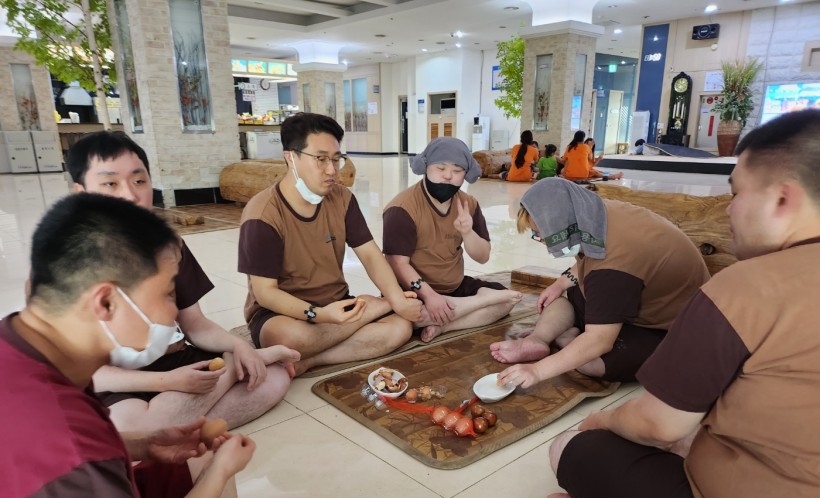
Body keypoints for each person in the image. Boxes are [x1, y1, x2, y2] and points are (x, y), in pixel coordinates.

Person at [545, 108, 820, 498]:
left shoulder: (748, 286)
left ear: (784, 199)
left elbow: (658, 425)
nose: (729, 210)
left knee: (572, 448)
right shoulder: (604, 226)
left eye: (736, 194)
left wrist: (600, 420)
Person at [0, 193, 312, 498]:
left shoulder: (20, 344)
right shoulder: (63, 442)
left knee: (199, 459)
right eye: (167, 294)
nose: (173, 313)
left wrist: (143, 444)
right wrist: (221, 474)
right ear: (106, 302)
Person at [66, 131, 298, 431]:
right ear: (81, 192)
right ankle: (215, 386)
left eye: (139, 181)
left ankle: (172, 429)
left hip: (176, 359)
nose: (130, 195)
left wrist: (237, 346)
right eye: (110, 184)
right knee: (128, 425)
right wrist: (171, 382)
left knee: (273, 379)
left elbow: (195, 325)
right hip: (117, 380)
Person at [238, 113, 422, 374]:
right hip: (282, 314)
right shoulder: (263, 214)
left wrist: (396, 298)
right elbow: (265, 293)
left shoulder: (342, 198)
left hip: (337, 303)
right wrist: (322, 315)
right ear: (291, 157)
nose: (332, 170)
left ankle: (309, 360)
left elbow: (370, 255)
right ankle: (372, 309)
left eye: (336, 159)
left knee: (400, 328)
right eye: (321, 159)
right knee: (288, 338)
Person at [491, 178, 710, 387]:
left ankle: (569, 342)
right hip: (639, 295)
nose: (543, 243)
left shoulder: (613, 268)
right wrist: (560, 284)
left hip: (669, 327)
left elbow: (600, 340)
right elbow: (591, 257)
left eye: (540, 235)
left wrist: (537, 371)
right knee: (562, 295)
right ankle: (538, 339)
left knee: (591, 362)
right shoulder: (591, 213)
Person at [382, 137, 523, 342]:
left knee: (506, 301)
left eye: (457, 171)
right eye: (440, 168)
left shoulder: (468, 204)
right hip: (414, 291)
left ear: (466, 173)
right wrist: (430, 297)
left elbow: (483, 256)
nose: (448, 176)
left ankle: (445, 325)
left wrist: (467, 232)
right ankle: (475, 303)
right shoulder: (402, 209)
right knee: (405, 316)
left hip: (454, 287)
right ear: (426, 167)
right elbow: (397, 263)